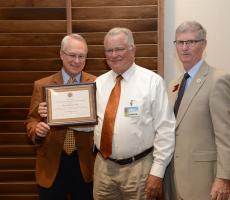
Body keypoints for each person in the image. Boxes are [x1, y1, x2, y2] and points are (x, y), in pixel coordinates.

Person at [93, 27, 175, 200]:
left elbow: (165, 129)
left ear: (133, 49)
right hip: (103, 168)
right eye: (109, 50)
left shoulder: (152, 82)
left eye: (119, 49)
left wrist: (157, 171)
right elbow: (90, 123)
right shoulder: (99, 83)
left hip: (139, 169)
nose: (114, 55)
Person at [25, 34, 96, 200]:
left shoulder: (97, 84)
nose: (77, 61)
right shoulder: (42, 85)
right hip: (51, 165)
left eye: (81, 56)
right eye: (72, 55)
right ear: (61, 54)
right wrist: (37, 129)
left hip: (85, 164)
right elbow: (31, 120)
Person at [168, 20, 230, 200]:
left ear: (203, 44)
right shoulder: (175, 84)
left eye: (191, 42)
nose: (184, 48)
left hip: (206, 181)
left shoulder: (218, 79)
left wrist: (224, 177)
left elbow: (225, 134)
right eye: (180, 42)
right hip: (176, 177)